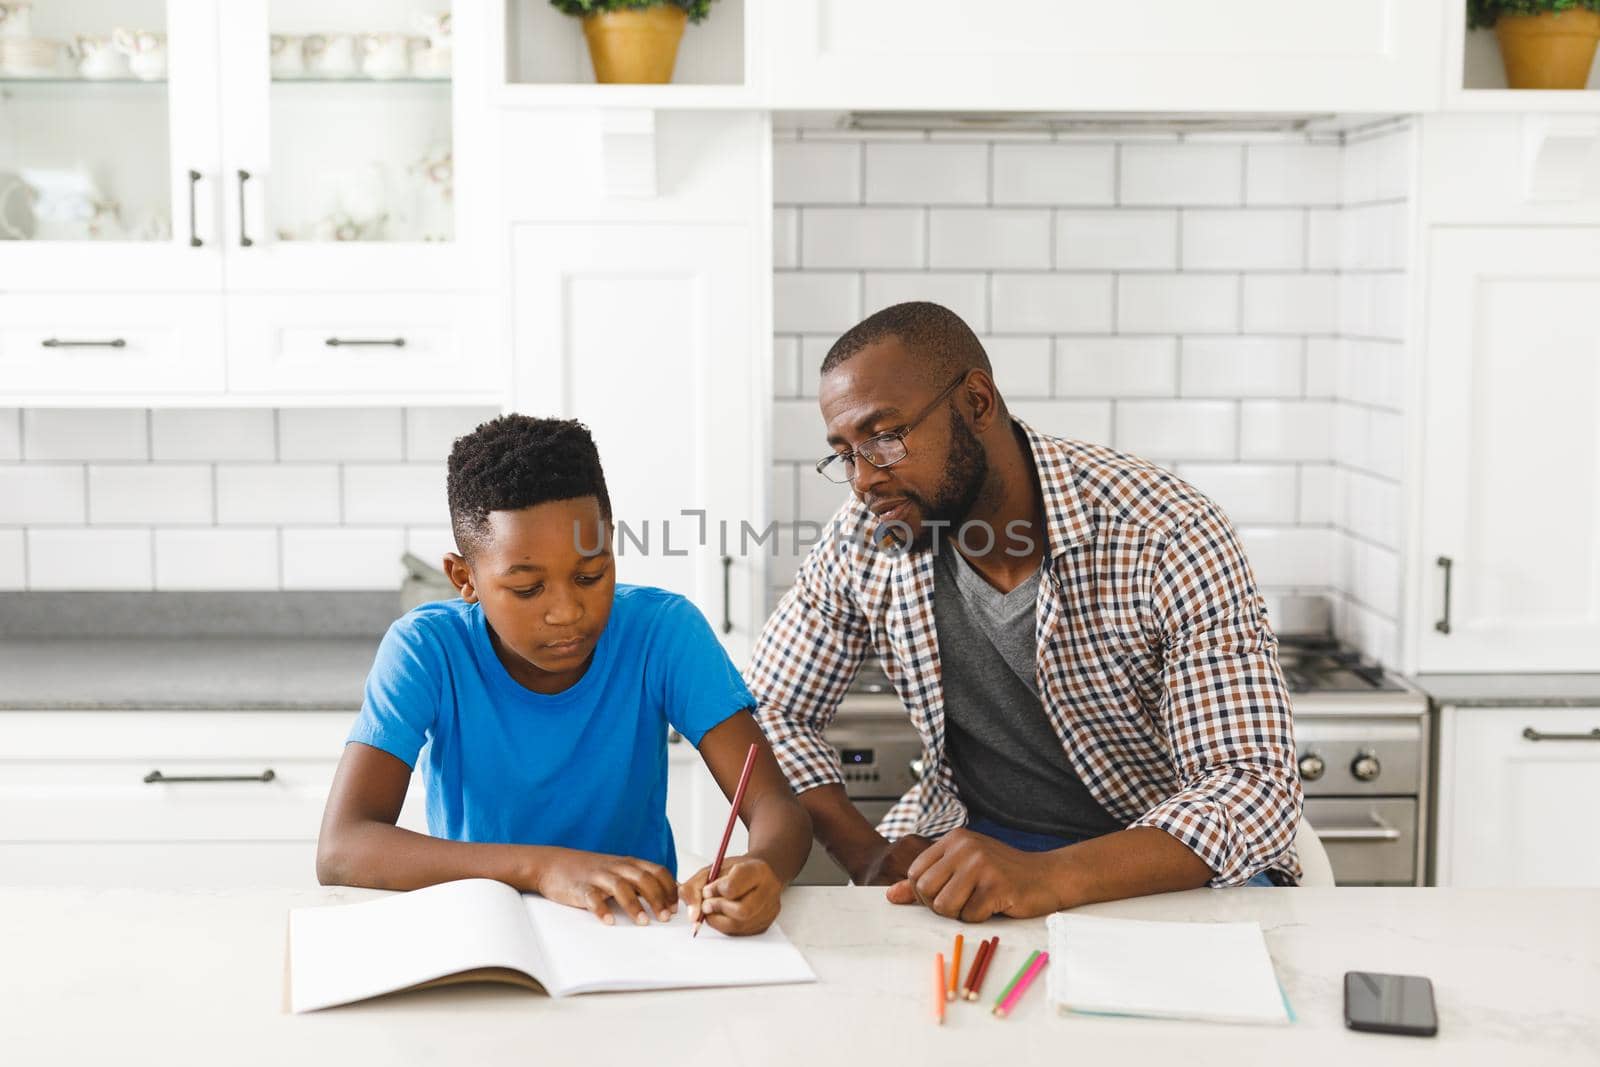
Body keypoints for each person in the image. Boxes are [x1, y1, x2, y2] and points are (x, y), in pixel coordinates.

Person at [748, 302, 1302, 922]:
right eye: (845, 453)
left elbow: (1252, 787)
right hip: (967, 838)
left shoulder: (1164, 532)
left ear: (978, 403)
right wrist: (864, 854)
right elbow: (771, 712)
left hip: (1160, 857)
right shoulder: (868, 535)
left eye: (884, 437)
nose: (861, 480)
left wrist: (1048, 877)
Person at [317, 415, 811, 935]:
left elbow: (776, 805)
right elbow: (343, 849)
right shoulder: (426, 650)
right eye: (527, 589)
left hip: (638, 933)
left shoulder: (663, 632)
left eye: (590, 576)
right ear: (465, 578)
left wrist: (765, 867)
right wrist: (543, 868)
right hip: (489, 933)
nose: (567, 612)